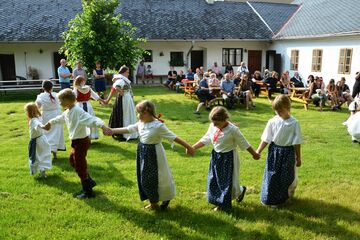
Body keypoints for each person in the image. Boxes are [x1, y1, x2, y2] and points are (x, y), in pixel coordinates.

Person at [105, 100, 194, 210]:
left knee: (158, 178)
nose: (138, 116)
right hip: (143, 153)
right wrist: (112, 131)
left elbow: (173, 137)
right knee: (144, 178)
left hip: (155, 155)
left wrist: (188, 147)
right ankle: (153, 202)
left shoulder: (158, 126)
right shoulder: (141, 123)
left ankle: (163, 198)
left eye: (140, 113)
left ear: (147, 112)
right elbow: (129, 129)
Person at [43, 89, 111, 199]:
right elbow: (60, 118)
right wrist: (50, 122)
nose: (59, 103)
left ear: (68, 100)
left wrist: (103, 126)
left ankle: (88, 192)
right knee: (72, 161)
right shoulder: (68, 111)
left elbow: (92, 119)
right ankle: (89, 181)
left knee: (80, 166)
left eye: (60, 100)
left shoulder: (78, 111)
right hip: (76, 141)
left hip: (81, 141)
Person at [192, 107, 260, 211]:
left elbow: (244, 143)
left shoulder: (233, 130)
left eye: (217, 123)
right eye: (213, 122)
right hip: (216, 156)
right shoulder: (212, 126)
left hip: (228, 158)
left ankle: (222, 205)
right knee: (214, 179)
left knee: (225, 182)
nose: (214, 125)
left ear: (224, 120)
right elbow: (206, 138)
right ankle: (240, 191)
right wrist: (194, 147)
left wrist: (254, 154)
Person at [256, 95, 302, 207]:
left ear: (288, 107)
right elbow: (266, 138)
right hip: (274, 152)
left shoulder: (294, 123)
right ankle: (268, 198)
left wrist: (298, 157)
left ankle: (281, 199)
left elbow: (297, 142)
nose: (278, 113)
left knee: (285, 176)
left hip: (287, 153)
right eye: (276, 111)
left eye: (280, 111)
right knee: (272, 174)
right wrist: (258, 151)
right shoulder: (272, 121)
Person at [105, 66, 138, 141]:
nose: (128, 74)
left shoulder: (123, 79)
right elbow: (116, 87)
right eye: (127, 72)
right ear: (123, 72)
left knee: (129, 114)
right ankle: (124, 133)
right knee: (125, 115)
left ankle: (129, 132)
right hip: (124, 99)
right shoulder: (121, 79)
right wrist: (121, 92)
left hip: (127, 98)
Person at [35, 80, 65, 160]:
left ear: (43, 88)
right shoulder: (56, 95)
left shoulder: (41, 96)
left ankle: (48, 153)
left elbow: (37, 105)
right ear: (52, 87)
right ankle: (54, 154)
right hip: (57, 115)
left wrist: (35, 114)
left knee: (47, 133)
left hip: (46, 116)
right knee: (56, 134)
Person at [24, 102, 52, 178]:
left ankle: (42, 173)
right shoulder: (39, 117)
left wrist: (44, 127)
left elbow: (38, 124)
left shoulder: (33, 120)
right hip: (43, 139)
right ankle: (43, 172)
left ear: (28, 112)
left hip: (36, 141)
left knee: (37, 157)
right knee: (43, 155)